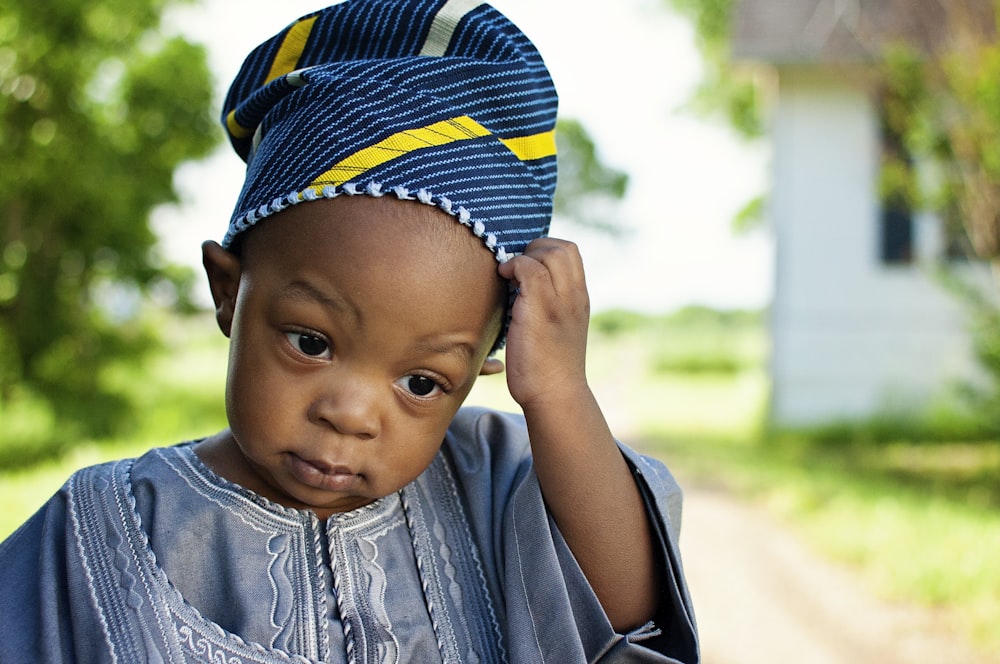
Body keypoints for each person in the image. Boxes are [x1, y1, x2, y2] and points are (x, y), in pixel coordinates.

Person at [0, 1, 699, 661]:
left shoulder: (501, 481)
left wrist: (559, 393)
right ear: (227, 291)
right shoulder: (97, 532)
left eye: (422, 383)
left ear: (484, 364)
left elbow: (629, 621)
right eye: (310, 342)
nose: (352, 413)